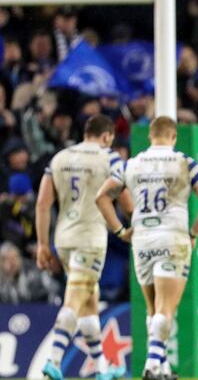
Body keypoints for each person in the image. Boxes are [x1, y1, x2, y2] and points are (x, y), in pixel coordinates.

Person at [95, 116, 198, 380]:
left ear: (150, 136)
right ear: (173, 137)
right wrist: (194, 232)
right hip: (172, 237)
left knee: (153, 309)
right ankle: (152, 364)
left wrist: (119, 230)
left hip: (142, 239)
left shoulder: (132, 164)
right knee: (166, 307)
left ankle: (162, 367)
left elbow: (102, 196)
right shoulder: (185, 163)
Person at [35, 115, 130, 380]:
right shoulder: (109, 158)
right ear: (107, 136)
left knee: (89, 300)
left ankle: (101, 368)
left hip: (64, 238)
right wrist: (134, 227)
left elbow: (43, 203)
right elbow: (125, 200)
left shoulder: (60, 158)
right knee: (75, 299)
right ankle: (53, 361)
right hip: (90, 239)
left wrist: (42, 243)